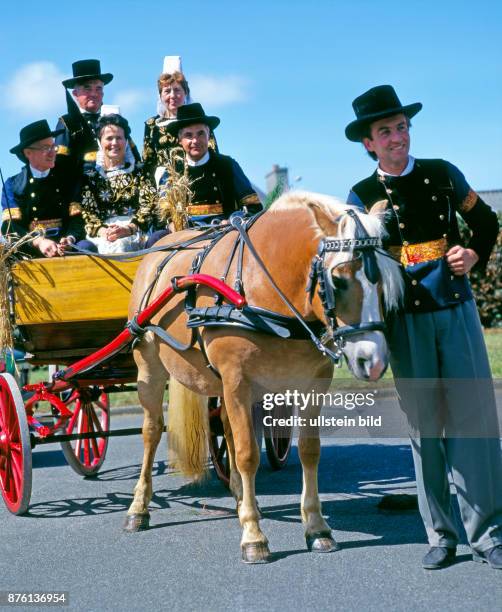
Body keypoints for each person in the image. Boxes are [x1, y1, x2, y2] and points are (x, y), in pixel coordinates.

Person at [345, 84, 502, 570]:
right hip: (404, 322)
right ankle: (442, 534)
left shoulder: (443, 174)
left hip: (455, 310)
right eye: (385, 132)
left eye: (402, 128)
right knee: (424, 428)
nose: (397, 138)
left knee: (473, 420)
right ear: (368, 143)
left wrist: (473, 253)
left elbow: (489, 223)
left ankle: (489, 534)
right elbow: (356, 267)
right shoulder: (360, 197)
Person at [147, 102, 261, 245]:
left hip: (224, 233)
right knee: (154, 240)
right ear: (180, 140)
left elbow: (254, 207)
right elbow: (162, 215)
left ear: (209, 135)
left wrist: (232, 220)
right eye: (189, 135)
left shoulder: (227, 165)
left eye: (201, 133)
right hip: (183, 236)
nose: (195, 140)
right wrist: (171, 224)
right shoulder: (171, 171)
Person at [2, 119, 89, 257]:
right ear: (27, 153)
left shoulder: (67, 179)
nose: (52, 152)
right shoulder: (13, 184)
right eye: (45, 148)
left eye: (53, 146)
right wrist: (39, 242)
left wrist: (70, 238)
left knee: (87, 246)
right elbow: (10, 227)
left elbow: (77, 219)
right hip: (32, 247)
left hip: (65, 244)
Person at [80, 114, 157, 253]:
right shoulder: (91, 177)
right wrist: (103, 231)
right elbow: (88, 212)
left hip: (136, 230)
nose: (114, 143)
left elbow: (149, 205)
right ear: (100, 142)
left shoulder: (140, 171)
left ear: (126, 141)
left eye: (119, 138)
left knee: (121, 245)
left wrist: (129, 229)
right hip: (103, 233)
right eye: (109, 138)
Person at [55, 59, 140, 180]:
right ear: (75, 94)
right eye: (87, 88)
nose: (94, 94)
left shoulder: (114, 120)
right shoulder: (68, 123)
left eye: (98, 88)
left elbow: (133, 157)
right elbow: (60, 165)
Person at [142, 56, 217, 187]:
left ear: (186, 93)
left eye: (177, 90)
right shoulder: (152, 125)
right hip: (164, 190)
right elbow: (148, 163)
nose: (172, 96)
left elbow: (213, 154)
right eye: (167, 91)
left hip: (198, 182)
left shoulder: (198, 120)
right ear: (160, 95)